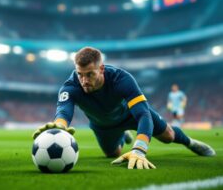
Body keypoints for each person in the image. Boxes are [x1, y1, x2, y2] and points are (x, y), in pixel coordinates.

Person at [33, 47, 216, 169]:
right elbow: (64, 111)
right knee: (113, 154)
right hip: (103, 125)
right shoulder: (70, 86)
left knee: (168, 136)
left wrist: (139, 149)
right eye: (80, 75)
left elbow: (143, 114)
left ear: (102, 69)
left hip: (130, 115)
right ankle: (122, 136)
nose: (84, 80)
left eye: (90, 74)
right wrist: (59, 125)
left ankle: (190, 143)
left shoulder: (121, 79)